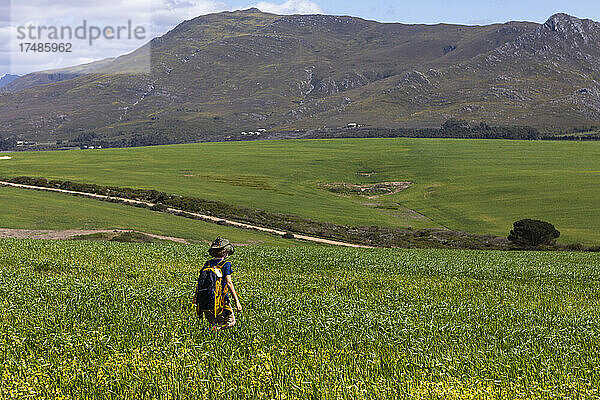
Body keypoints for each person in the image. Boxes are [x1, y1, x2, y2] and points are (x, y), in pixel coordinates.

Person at [193, 237, 242, 330]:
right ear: (226, 252)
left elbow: (199, 283)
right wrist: (237, 301)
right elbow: (229, 283)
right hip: (220, 302)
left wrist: (196, 299)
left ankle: (208, 334)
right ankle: (208, 332)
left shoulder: (207, 264)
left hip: (205, 301)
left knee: (215, 325)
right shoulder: (225, 264)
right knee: (231, 322)